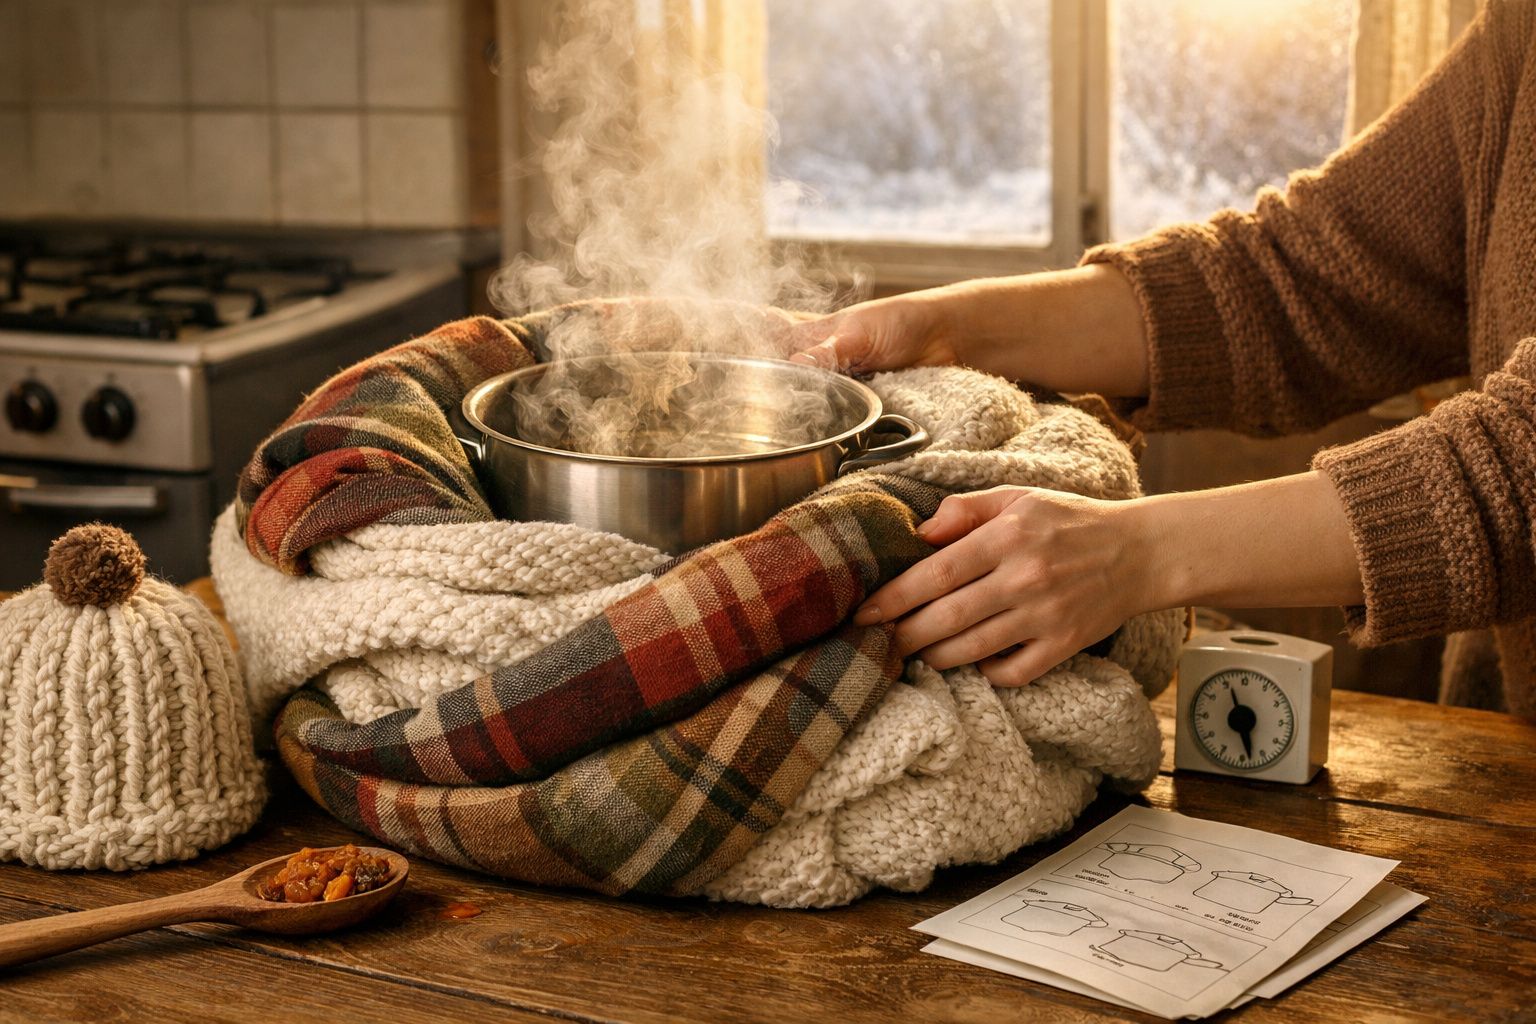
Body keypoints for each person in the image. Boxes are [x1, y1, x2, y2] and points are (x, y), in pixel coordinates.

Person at [788, 0, 1536, 719]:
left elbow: (1520, 460)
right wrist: (942, 326)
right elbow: (1301, 279)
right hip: (1499, 741)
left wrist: (1135, 556)